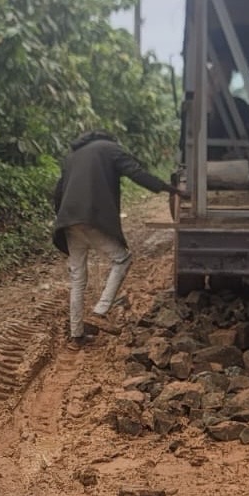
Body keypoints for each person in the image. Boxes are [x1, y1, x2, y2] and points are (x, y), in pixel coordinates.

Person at [52, 130, 184, 349]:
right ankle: (101, 311)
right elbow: (137, 173)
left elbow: (58, 193)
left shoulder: (72, 156)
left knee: (77, 278)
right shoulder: (110, 149)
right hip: (91, 217)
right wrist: (172, 190)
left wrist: (64, 220)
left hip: (68, 221)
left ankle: (76, 336)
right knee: (122, 259)